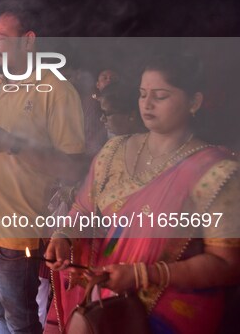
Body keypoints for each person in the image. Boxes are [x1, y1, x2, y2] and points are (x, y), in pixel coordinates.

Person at [44, 56, 240, 333]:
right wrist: (64, 236)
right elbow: (83, 209)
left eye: (160, 96)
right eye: (142, 94)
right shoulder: (113, 151)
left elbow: (227, 264)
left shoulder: (216, 171)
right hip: (105, 300)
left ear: (194, 102)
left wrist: (145, 275)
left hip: (167, 313)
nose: (147, 104)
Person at [0, 10, 86, 334]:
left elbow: (73, 168)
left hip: (13, 236)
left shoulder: (57, 91)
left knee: (21, 320)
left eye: (1, 38)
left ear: (28, 41)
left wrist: (13, 144)